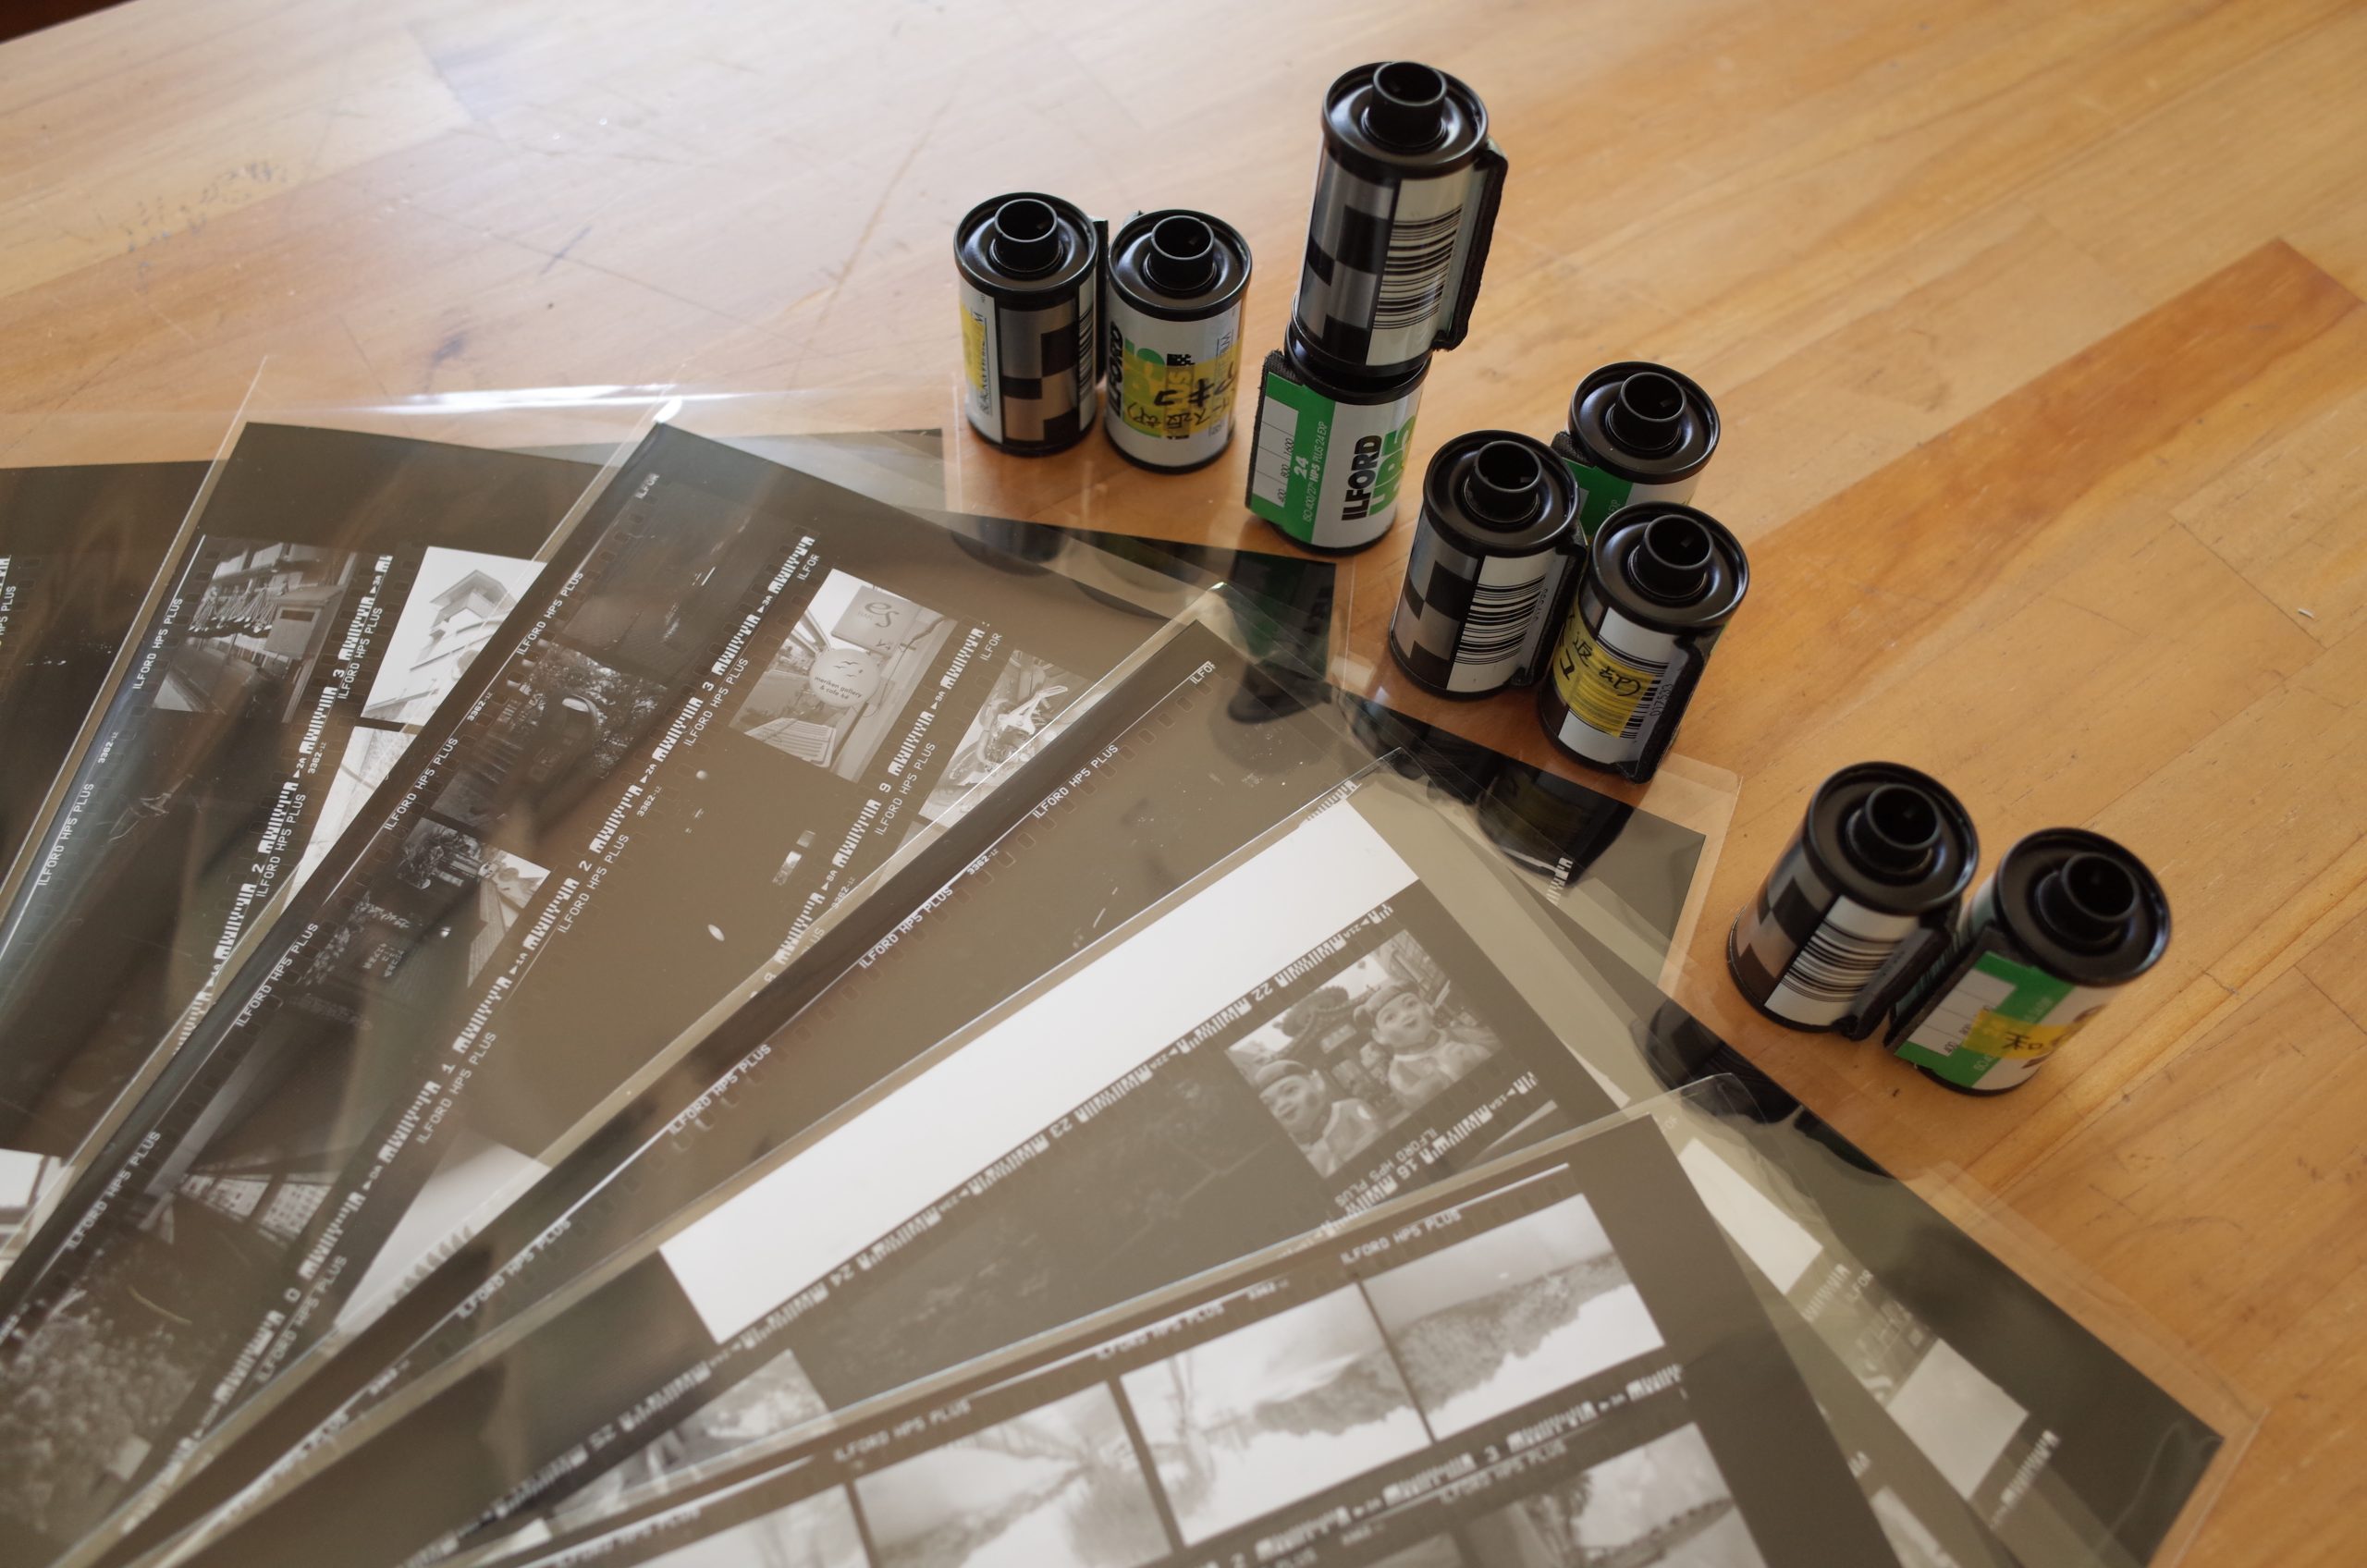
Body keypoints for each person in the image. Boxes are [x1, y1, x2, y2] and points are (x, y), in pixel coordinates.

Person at [1357, 982, 1497, 1109]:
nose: (1405, 1015)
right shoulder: (1398, 1073)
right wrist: (1449, 1071)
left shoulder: (1458, 1033)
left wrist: (1476, 1052)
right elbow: (1415, 1098)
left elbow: (1493, 1040)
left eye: (1411, 1004)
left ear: (1428, 1007)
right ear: (1379, 1036)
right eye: (1390, 1017)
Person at [1251, 1059, 1384, 1178]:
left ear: (1317, 1083)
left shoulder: (1350, 1109)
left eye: (1290, 1091)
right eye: (1269, 1105)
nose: (1281, 1105)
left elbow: (1375, 1142)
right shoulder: (1289, 1151)